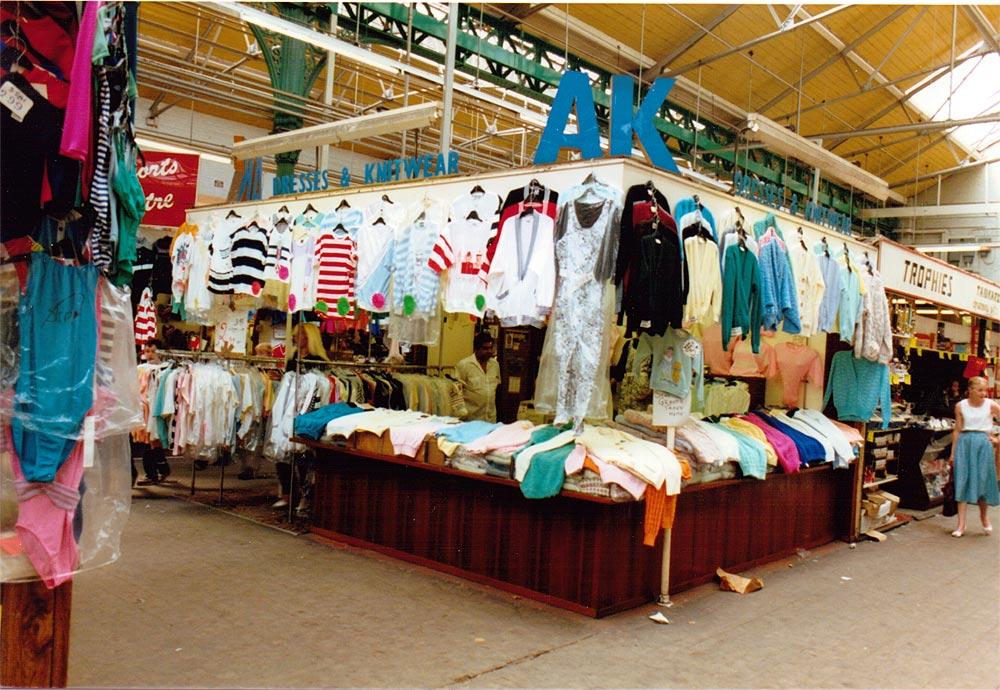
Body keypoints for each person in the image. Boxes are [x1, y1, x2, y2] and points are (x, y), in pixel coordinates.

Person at [273, 322, 329, 510]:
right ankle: (288, 494)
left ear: (308, 338)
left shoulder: (317, 360)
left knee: (303, 455)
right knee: (283, 452)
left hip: (307, 410)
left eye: (299, 334)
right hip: (289, 407)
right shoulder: (293, 358)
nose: (295, 337)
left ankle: (305, 495)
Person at [949, 376, 1000, 537]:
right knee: (962, 479)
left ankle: (984, 517)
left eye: (985, 390)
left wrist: (997, 439)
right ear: (970, 390)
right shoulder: (960, 406)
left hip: (983, 443)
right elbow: (957, 429)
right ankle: (961, 525)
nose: (983, 393)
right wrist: (953, 452)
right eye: (980, 390)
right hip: (965, 442)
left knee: (983, 481)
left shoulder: (991, 405)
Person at [136, 340, 172, 485]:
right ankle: (158, 471)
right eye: (147, 351)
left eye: (152, 351)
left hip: (158, 409)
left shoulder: (167, 370)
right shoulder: (141, 369)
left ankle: (155, 472)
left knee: (153, 442)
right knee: (150, 442)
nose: (149, 354)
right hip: (145, 409)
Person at [456, 332, 501, 422]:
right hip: (471, 420)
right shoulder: (464, 365)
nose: (489, 351)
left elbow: (497, 387)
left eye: (490, 348)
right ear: (476, 349)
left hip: (490, 419)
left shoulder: (495, 365)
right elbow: (456, 393)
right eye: (485, 348)